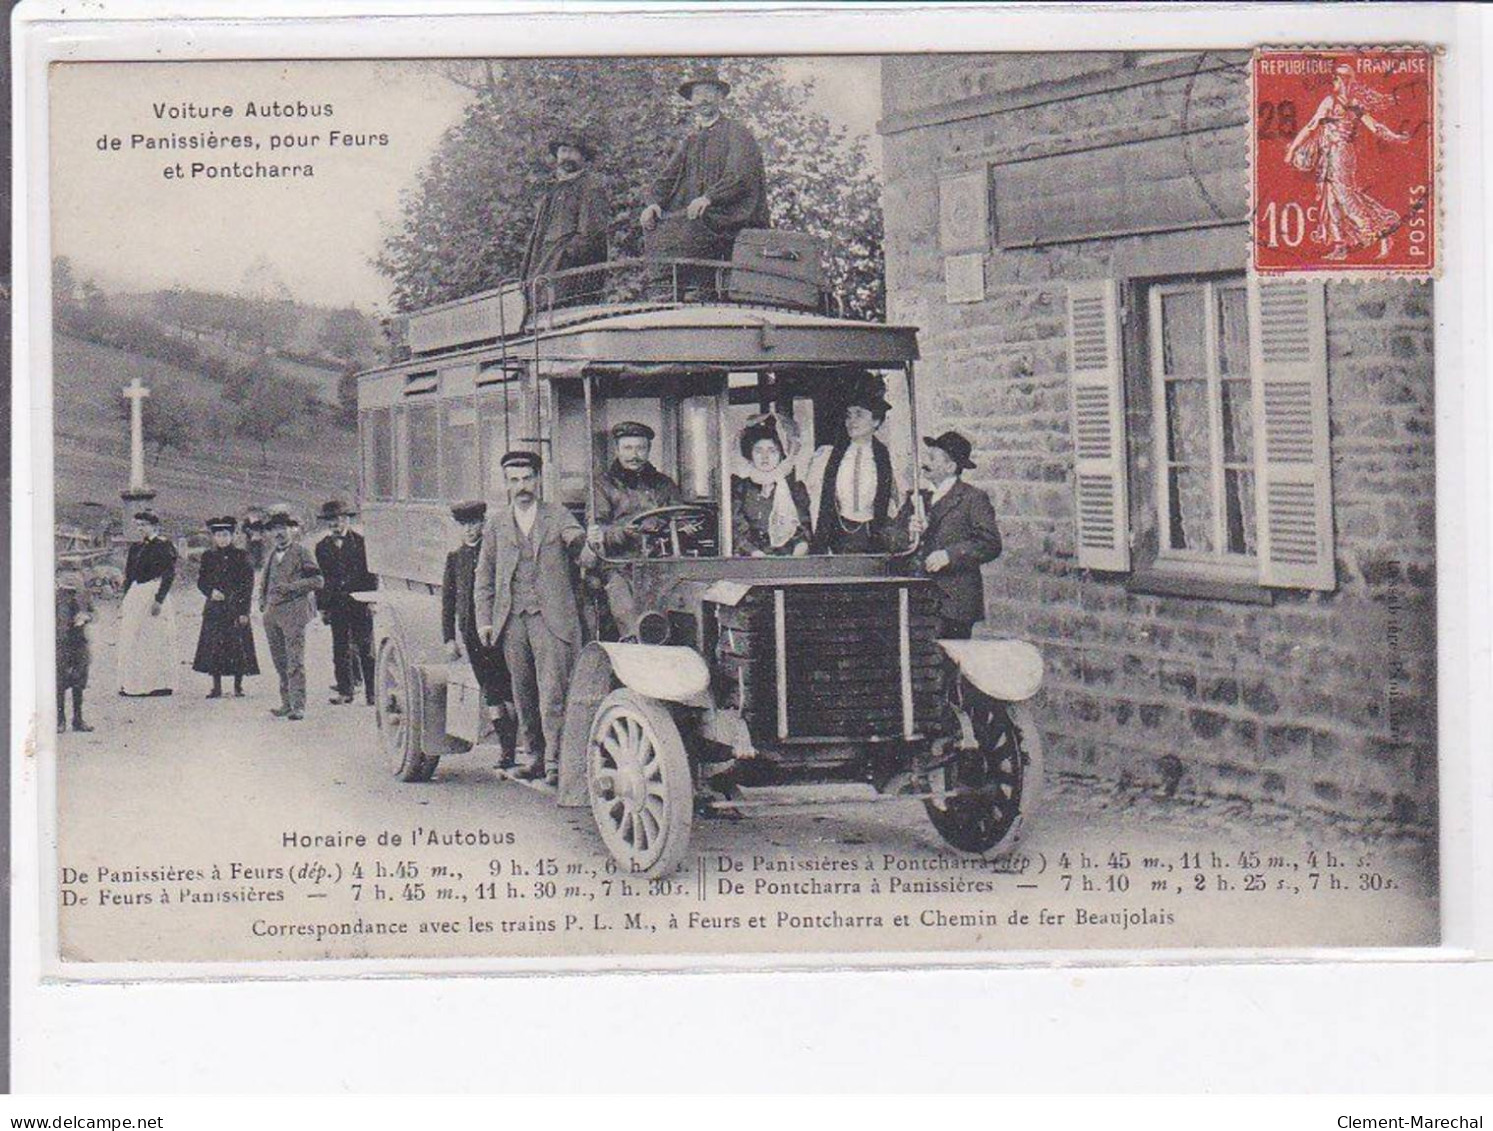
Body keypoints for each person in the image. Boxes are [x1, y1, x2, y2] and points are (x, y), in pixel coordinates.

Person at [475, 452, 595, 784]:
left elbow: (578, 544)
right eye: (514, 480)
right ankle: (536, 757)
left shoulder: (558, 516)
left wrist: (585, 545)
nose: (521, 486)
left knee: (553, 692)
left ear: (538, 480)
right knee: (523, 691)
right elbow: (484, 574)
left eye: (527, 479)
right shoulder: (497, 524)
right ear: (505, 484)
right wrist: (485, 620)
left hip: (552, 618)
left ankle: (557, 762)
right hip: (512, 620)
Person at [640, 68, 769, 270]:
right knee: (658, 227)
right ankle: (667, 288)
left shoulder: (737, 133)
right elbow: (667, 176)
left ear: (719, 97)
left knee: (692, 227)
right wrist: (653, 203)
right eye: (698, 94)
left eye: (709, 92)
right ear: (691, 101)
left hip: (731, 215)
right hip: (699, 216)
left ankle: (697, 288)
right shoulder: (691, 140)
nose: (703, 99)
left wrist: (709, 197)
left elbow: (739, 175)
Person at [1285, 63, 1413, 261]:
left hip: (1340, 153)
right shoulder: (1345, 103)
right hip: (1329, 154)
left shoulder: (1336, 102)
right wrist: (1396, 137)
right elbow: (1376, 127)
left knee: (1345, 197)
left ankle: (1379, 232)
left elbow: (1312, 127)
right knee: (1330, 200)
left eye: (1336, 79)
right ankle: (1340, 245)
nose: (1334, 83)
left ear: (1341, 81)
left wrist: (1292, 149)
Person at [589, 420, 684, 640]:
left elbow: (680, 518)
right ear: (617, 449)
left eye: (640, 448)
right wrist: (624, 532)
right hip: (618, 565)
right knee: (628, 611)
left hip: (661, 563)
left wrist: (676, 528)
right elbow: (597, 530)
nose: (635, 454)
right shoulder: (602, 486)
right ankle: (636, 647)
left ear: (649, 450)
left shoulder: (664, 484)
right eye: (628, 448)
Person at [904, 431, 1003, 640]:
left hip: (954, 603)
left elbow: (990, 543)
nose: (924, 462)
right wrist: (908, 531)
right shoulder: (917, 497)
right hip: (918, 599)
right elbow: (889, 535)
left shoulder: (972, 498)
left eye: (932, 458)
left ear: (950, 467)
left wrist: (949, 556)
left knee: (949, 663)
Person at [442, 499, 515, 762]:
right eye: (464, 525)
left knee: (509, 689)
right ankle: (506, 751)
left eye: (474, 524)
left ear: (483, 524)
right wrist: (449, 638)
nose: (470, 530)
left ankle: (519, 744)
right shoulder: (455, 559)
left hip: (497, 635)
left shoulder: (493, 553)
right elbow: (448, 602)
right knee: (490, 691)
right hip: (472, 637)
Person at [807, 383, 908, 554]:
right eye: (849, 416)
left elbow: (895, 502)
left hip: (872, 532)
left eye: (859, 415)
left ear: (876, 421)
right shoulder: (829, 456)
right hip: (838, 531)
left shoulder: (886, 458)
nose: (851, 422)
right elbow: (820, 500)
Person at [520, 133, 610, 305]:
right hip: (544, 267)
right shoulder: (554, 190)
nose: (567, 157)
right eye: (563, 151)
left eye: (573, 152)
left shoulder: (591, 186)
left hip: (571, 273)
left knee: (566, 312)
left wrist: (563, 257)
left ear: (583, 156)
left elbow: (590, 234)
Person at [259, 511, 324, 721]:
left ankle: (298, 705)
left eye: (283, 528)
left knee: (295, 660)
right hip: (272, 614)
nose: (279, 533)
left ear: (292, 530)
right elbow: (265, 581)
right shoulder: (271, 554)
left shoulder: (302, 552)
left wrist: (291, 587)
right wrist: (263, 602)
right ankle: (286, 703)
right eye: (275, 529)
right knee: (280, 660)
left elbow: (318, 580)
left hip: (294, 613)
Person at [314, 500, 377, 706]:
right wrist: (322, 607)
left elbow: (371, 574)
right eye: (331, 520)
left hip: (360, 602)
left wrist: (371, 600)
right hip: (336, 604)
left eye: (340, 519)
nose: (336, 524)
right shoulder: (321, 547)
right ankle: (345, 691)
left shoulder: (361, 542)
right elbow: (321, 579)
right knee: (340, 648)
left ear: (347, 520)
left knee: (365, 647)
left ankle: (372, 693)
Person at [191, 516, 259, 698]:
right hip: (215, 608)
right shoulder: (208, 556)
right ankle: (216, 686)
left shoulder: (241, 556)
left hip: (235, 607)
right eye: (218, 535)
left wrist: (244, 611)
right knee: (214, 645)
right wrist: (210, 592)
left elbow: (248, 585)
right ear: (214, 537)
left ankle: (238, 685)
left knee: (237, 645)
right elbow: (201, 581)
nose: (222, 539)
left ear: (232, 536)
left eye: (225, 535)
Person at [117, 509, 179, 697]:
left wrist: (159, 599)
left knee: (154, 637)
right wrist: (125, 599)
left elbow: (169, 574)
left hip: (153, 591)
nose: (140, 529)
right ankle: (133, 683)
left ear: (154, 526)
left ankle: (158, 684)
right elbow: (129, 575)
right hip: (137, 593)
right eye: (138, 525)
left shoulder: (163, 546)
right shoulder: (136, 548)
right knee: (132, 636)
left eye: (143, 525)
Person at [731, 413, 811, 557]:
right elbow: (737, 532)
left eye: (772, 451)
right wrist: (756, 554)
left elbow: (803, 532)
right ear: (750, 454)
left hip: (789, 560)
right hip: (750, 559)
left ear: (781, 455)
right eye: (758, 451)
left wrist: (795, 558)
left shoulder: (794, 488)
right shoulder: (740, 488)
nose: (765, 457)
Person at [56, 569, 94, 733]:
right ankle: (60, 720)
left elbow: (93, 613)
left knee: (79, 681)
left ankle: (77, 719)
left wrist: (85, 617)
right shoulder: (54, 598)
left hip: (79, 642)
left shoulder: (84, 596)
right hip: (61, 642)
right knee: (59, 682)